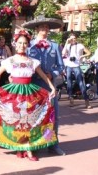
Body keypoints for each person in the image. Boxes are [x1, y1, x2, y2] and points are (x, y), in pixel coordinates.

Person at [0, 30, 57, 161]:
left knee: (30, 122)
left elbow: (43, 75)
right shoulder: (9, 60)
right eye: (20, 43)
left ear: (28, 45)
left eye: (25, 43)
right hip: (13, 94)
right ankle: (19, 147)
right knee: (15, 122)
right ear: (15, 44)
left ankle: (28, 149)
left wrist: (52, 87)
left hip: (30, 94)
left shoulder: (33, 61)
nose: (22, 45)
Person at [22, 15, 66, 156]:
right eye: (42, 27)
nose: (45, 29)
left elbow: (61, 65)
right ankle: (33, 146)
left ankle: (54, 145)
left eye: (47, 27)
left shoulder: (54, 46)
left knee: (54, 116)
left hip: (49, 87)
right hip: (33, 86)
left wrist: (52, 74)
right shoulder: (29, 46)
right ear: (36, 29)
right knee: (34, 116)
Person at [61, 33, 92, 108]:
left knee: (81, 83)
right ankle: (71, 100)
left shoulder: (80, 45)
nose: (73, 40)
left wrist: (81, 56)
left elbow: (89, 52)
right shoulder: (68, 45)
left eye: (74, 38)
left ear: (76, 39)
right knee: (69, 83)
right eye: (71, 38)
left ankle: (86, 101)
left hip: (76, 66)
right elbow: (63, 53)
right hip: (68, 66)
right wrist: (66, 42)